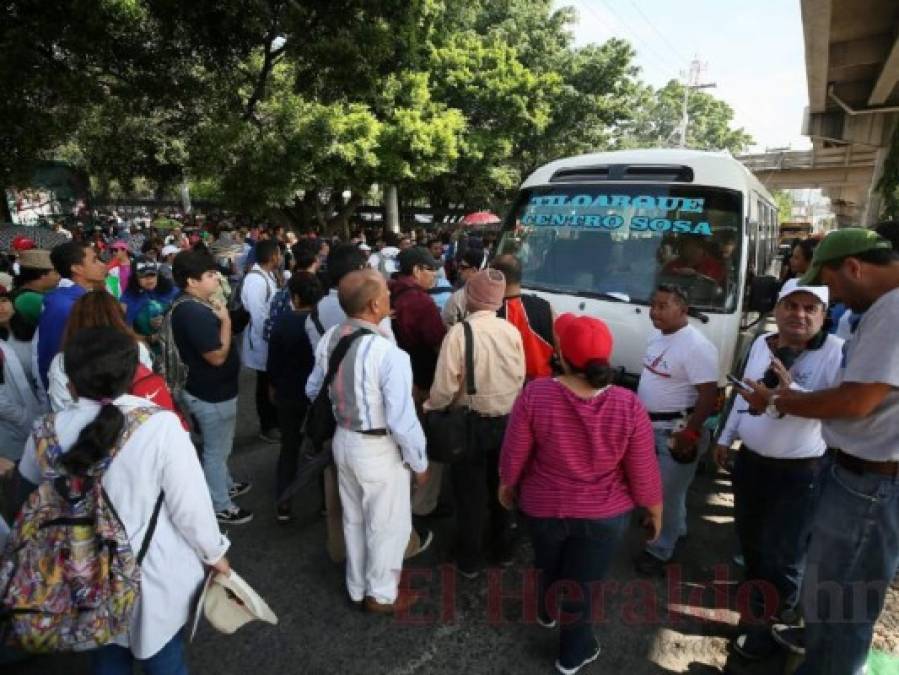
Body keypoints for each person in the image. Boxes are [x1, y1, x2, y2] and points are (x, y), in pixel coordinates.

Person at [17, 327, 231, 674]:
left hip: (79, 572)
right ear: (134, 373)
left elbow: (26, 497)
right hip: (152, 575)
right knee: (164, 660)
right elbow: (190, 509)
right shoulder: (160, 426)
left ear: (70, 381)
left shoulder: (45, 430)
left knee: (105, 658)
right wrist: (215, 555)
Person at [740, 228, 899, 675]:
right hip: (856, 472)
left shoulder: (893, 309)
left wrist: (780, 401)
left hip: (873, 482)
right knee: (828, 585)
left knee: (843, 605)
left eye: (831, 289)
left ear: (853, 267)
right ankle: (814, 642)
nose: (837, 301)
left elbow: (855, 401)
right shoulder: (882, 310)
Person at [499, 314, 662, 675]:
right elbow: (642, 467)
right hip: (603, 516)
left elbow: (515, 451)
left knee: (548, 563)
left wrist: (507, 483)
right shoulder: (627, 404)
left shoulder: (536, 393)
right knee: (583, 585)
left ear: (561, 352)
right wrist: (654, 509)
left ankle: (546, 610)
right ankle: (573, 653)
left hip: (542, 507)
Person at [712, 279, 843, 661]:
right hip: (752, 464)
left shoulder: (836, 353)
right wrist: (726, 437)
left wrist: (790, 396)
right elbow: (744, 394)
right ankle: (755, 611)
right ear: (777, 309)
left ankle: (771, 629)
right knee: (751, 542)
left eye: (810, 308)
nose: (799, 315)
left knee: (783, 554)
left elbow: (836, 410)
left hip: (800, 473)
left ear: (823, 315)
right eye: (791, 305)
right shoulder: (761, 343)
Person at [305, 269, 430, 613]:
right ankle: (382, 595)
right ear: (376, 304)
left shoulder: (331, 337)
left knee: (355, 518)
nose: (391, 301)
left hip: (343, 440)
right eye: (387, 296)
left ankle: (358, 587)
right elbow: (403, 420)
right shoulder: (389, 354)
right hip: (378, 448)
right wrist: (419, 463)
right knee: (388, 525)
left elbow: (312, 389)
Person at [425, 269, 526, 575]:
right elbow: (520, 375)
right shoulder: (511, 331)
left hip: (469, 424)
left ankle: (469, 559)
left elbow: (444, 387)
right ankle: (503, 549)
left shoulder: (459, 333)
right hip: (508, 423)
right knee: (503, 488)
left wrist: (432, 408)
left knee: (469, 495)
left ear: (470, 297)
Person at [634, 284, 719, 575]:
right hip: (650, 426)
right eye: (653, 304)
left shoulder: (696, 346)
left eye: (662, 306)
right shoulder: (657, 334)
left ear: (682, 310)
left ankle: (660, 550)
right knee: (668, 490)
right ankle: (676, 527)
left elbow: (709, 396)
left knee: (666, 495)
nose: (654, 312)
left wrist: (691, 434)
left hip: (676, 431)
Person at [170, 250, 251, 525]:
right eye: (208, 275)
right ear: (191, 282)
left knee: (220, 446)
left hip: (211, 390)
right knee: (216, 451)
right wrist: (226, 322)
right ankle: (219, 503)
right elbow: (216, 356)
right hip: (210, 392)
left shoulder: (196, 304)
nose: (216, 278)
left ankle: (224, 484)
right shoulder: (192, 312)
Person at [267, 272, 322, 522]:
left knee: (289, 447)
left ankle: (284, 502)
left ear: (295, 297)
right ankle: (326, 502)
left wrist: (272, 385)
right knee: (321, 446)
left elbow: (273, 362)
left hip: (288, 391)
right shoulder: (323, 321)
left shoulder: (283, 321)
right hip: (317, 394)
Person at [47, 291, 156, 412]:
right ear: (118, 317)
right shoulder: (137, 348)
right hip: (138, 420)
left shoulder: (61, 361)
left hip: (78, 426)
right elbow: (148, 390)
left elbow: (60, 407)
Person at [36, 241, 108, 390]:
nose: (102, 264)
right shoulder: (64, 306)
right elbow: (53, 356)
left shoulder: (81, 296)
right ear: (76, 268)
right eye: (94, 260)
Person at [240, 239, 282, 443]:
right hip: (262, 341)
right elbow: (258, 317)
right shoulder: (255, 280)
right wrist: (272, 340)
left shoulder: (269, 275)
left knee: (271, 381)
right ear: (273, 256)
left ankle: (275, 421)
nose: (281, 257)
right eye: (279, 253)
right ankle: (268, 426)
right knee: (264, 384)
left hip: (268, 339)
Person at [491, 254, 556, 380]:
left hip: (507, 385)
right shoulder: (545, 306)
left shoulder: (491, 312)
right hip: (543, 383)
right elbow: (559, 347)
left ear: (497, 277)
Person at [0, 289, 44, 462]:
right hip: (13, 428)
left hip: (43, 414)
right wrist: (26, 419)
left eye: (3, 300)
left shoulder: (32, 332)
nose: (1, 308)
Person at [121, 257, 179, 351]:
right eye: (143, 275)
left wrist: (168, 319)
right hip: (149, 351)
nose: (149, 279)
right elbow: (125, 331)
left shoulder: (170, 290)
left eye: (152, 274)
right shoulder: (128, 300)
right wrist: (150, 338)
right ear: (135, 277)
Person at [10, 248, 59, 342]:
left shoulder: (34, 293)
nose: (59, 276)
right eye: (55, 272)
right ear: (42, 275)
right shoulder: (29, 299)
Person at [442, 248, 486, 327]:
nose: (459, 270)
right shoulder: (495, 296)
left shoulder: (458, 298)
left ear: (474, 270)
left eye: (462, 267)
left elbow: (447, 327)